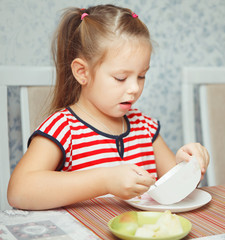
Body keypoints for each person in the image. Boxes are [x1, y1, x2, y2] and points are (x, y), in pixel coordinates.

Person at [7, 4, 209, 210]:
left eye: (141, 76)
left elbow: (176, 191)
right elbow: (19, 191)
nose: (134, 88)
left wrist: (189, 166)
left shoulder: (145, 128)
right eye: (120, 78)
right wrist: (104, 181)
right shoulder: (63, 128)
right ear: (82, 72)